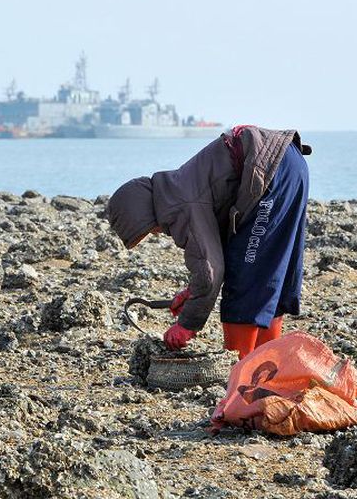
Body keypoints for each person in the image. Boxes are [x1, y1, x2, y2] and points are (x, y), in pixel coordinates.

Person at [107, 125, 311, 357]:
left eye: (148, 229)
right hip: (288, 161)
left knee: (244, 282)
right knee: (268, 272)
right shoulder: (177, 187)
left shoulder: (179, 206)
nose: (155, 232)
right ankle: (267, 363)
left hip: (269, 169)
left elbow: (211, 269)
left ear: (142, 212)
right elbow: (217, 251)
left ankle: (240, 369)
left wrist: (187, 325)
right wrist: (192, 293)